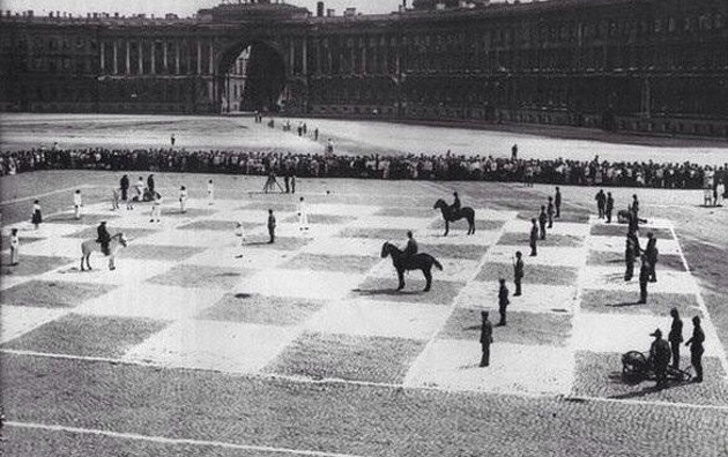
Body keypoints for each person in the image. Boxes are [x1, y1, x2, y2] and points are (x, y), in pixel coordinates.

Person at [685, 316, 705, 382]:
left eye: (694, 322)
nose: (693, 323)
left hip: (697, 349)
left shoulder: (698, 330)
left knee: (697, 363)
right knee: (695, 362)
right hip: (696, 348)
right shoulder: (697, 328)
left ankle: (700, 377)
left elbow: (700, 338)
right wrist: (689, 342)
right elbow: (694, 337)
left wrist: (693, 342)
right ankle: (698, 376)